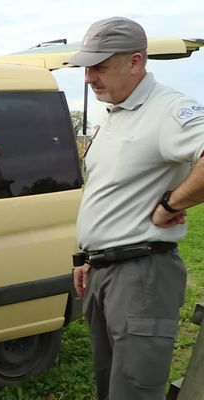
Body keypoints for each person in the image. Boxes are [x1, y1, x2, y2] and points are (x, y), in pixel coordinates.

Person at [68, 16, 204, 400]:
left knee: (134, 391)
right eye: (87, 67)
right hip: (104, 271)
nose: (89, 78)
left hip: (142, 276)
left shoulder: (168, 109)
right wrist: (89, 256)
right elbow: (113, 194)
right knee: (109, 382)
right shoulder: (115, 112)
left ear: (135, 62)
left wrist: (170, 203)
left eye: (99, 67)